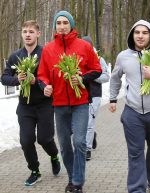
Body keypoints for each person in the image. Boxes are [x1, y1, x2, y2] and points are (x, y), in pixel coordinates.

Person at [37, 11, 101, 193]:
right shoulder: (48, 49)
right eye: (59, 23)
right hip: (59, 104)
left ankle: (77, 182)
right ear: (55, 26)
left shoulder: (84, 46)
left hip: (80, 102)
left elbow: (96, 70)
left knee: (80, 142)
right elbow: (42, 75)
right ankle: (73, 177)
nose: (62, 26)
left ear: (71, 25)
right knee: (65, 145)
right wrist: (45, 87)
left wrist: (82, 77)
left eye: (66, 22)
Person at [109, 20, 150, 193]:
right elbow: (115, 77)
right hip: (132, 112)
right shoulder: (123, 56)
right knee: (135, 153)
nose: (140, 36)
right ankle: (137, 189)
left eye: (145, 32)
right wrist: (113, 98)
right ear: (132, 35)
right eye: (137, 32)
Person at [1, 20, 61, 186]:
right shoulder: (15, 56)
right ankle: (35, 171)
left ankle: (54, 156)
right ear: (22, 34)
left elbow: (54, 76)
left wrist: (43, 84)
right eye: (25, 31)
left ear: (38, 34)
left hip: (44, 104)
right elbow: (4, 77)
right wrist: (16, 80)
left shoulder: (46, 53)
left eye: (31, 32)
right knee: (26, 140)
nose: (27, 34)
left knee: (44, 138)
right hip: (25, 106)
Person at [82, 36, 110, 161]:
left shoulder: (99, 59)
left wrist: (92, 76)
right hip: (80, 96)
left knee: (89, 123)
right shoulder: (76, 59)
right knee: (80, 124)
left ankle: (87, 149)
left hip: (94, 95)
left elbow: (106, 77)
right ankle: (92, 135)